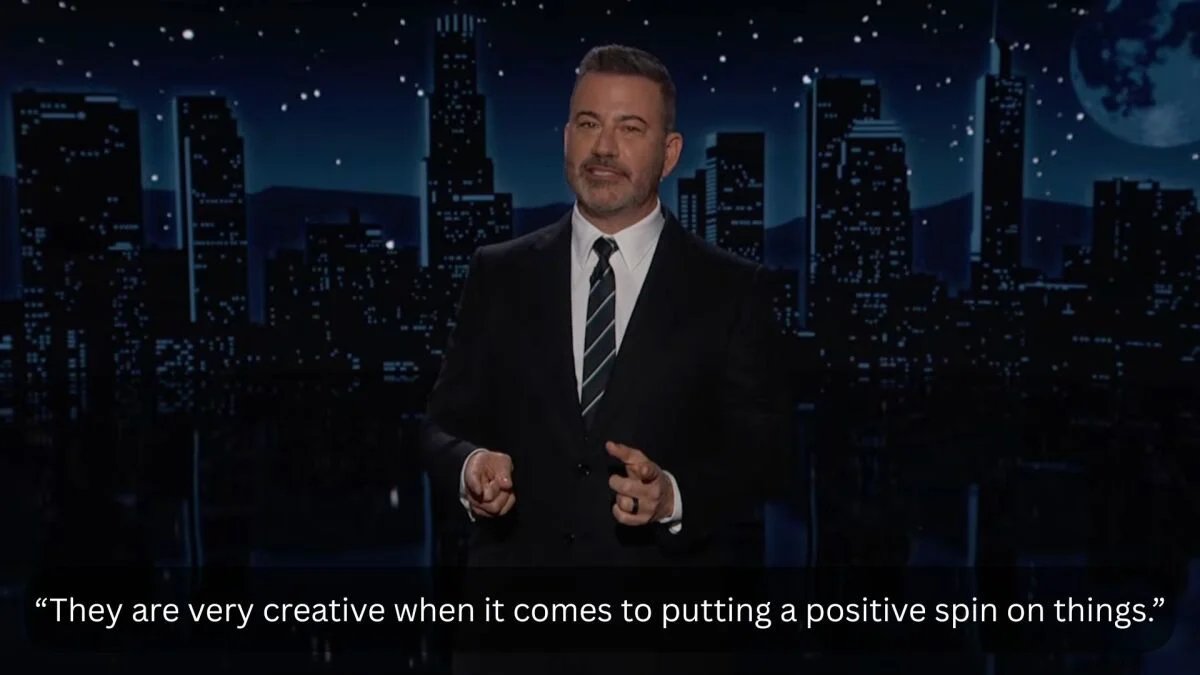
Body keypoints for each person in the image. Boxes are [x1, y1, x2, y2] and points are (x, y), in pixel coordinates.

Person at [420, 43, 790, 570]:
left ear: (669, 153)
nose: (604, 148)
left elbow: (765, 454)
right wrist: (470, 465)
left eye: (630, 128)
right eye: (589, 124)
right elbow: (440, 428)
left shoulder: (732, 288)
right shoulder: (498, 273)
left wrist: (672, 496)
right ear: (567, 138)